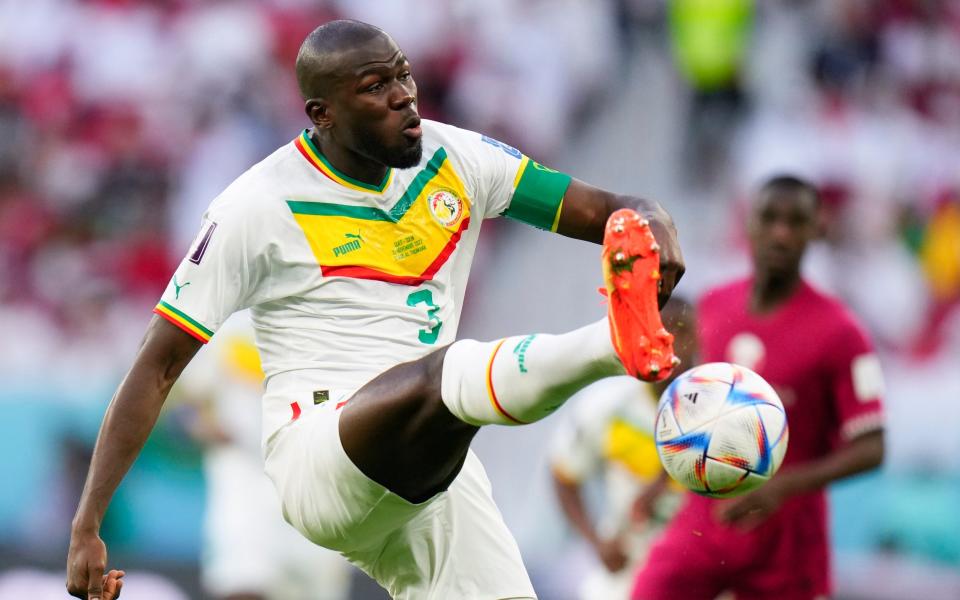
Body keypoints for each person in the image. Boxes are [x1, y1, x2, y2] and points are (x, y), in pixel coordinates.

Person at [66, 20, 685, 600]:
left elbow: (608, 210)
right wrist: (87, 523)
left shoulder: (457, 159)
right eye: (375, 86)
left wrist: (651, 223)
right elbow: (158, 367)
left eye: (403, 75)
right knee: (449, 373)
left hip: (431, 474)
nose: (404, 97)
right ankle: (615, 345)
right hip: (318, 454)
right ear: (322, 113)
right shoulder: (256, 206)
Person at [631, 175, 885, 600]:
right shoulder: (712, 306)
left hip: (788, 539)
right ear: (748, 224)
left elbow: (871, 447)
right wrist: (661, 480)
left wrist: (781, 486)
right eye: (769, 218)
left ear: (815, 229)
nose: (781, 234)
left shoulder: (842, 333)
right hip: (705, 519)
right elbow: (691, 406)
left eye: (796, 221)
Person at [173, 312, 354, 600]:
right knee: (242, 582)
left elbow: (334, 394)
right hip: (242, 478)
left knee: (315, 586)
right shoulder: (228, 326)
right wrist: (207, 429)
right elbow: (190, 401)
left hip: (309, 478)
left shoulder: (325, 322)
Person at [550, 297, 697, 600]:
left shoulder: (719, 409)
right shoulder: (609, 404)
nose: (669, 343)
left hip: (698, 574)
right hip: (628, 571)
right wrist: (596, 543)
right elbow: (564, 476)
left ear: (699, 338)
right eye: (660, 332)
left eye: (681, 332)